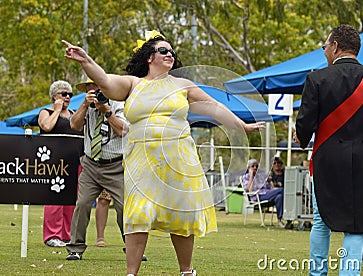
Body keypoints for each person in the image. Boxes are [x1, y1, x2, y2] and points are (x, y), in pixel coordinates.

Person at [62, 31, 265, 276]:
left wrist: (241, 126)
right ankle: (131, 273)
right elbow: (104, 80)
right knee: (138, 214)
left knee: (181, 216)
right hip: (142, 162)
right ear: (149, 57)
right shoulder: (133, 84)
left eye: (172, 52)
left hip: (179, 160)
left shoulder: (182, 85)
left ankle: (186, 271)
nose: (170, 54)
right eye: (163, 51)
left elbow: (216, 108)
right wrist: (85, 60)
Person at [295, 24, 363, 276]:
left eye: (324, 47)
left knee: (321, 221)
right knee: (356, 227)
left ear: (335, 46)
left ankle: (317, 273)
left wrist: (302, 135)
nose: (324, 52)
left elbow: (304, 128)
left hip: (326, 163)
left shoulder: (316, 79)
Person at [65, 79, 132, 261]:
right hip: (91, 164)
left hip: (116, 165)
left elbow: (123, 131)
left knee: (124, 207)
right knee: (83, 203)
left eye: (98, 87)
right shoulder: (85, 105)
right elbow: (74, 125)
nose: (95, 91)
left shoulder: (119, 104)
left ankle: (133, 247)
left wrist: (107, 112)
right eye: (90, 88)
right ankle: (75, 249)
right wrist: (85, 105)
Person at [38, 80, 83, 247]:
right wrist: (57, 110)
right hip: (54, 162)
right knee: (54, 199)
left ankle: (66, 235)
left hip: (74, 162)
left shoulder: (73, 113)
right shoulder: (45, 112)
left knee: (71, 201)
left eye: (70, 94)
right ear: (54, 96)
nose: (68, 97)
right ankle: (52, 235)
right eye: (64, 94)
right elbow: (46, 127)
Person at [242, 159, 285, 228]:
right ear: (249, 168)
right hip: (258, 197)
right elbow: (249, 191)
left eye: (256, 166)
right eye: (253, 166)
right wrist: (251, 176)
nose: (255, 168)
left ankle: (279, 221)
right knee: (282, 190)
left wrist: (270, 182)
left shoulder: (261, 176)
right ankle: (288, 217)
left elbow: (270, 188)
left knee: (279, 196)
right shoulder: (246, 177)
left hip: (267, 194)